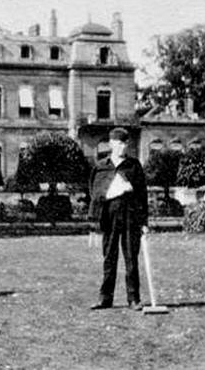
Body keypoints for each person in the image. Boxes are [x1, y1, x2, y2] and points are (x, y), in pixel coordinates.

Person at [88, 128, 149, 311]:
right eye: (120, 143)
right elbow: (95, 193)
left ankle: (133, 299)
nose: (123, 147)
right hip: (109, 217)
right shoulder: (101, 166)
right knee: (109, 258)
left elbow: (142, 195)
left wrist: (144, 222)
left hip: (131, 217)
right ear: (112, 144)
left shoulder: (133, 165)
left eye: (126, 143)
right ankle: (105, 298)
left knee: (131, 258)